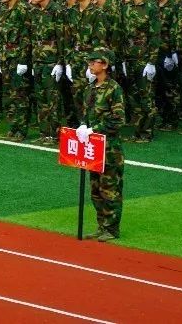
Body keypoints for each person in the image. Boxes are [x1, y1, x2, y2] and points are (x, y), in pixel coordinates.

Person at [76, 47, 125, 242]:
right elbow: (86, 114)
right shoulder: (90, 88)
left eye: (94, 62)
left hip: (110, 148)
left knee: (110, 189)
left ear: (105, 64)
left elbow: (118, 119)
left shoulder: (114, 89)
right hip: (93, 147)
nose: (90, 65)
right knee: (95, 189)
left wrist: (94, 129)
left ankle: (112, 229)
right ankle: (101, 225)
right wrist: (83, 127)